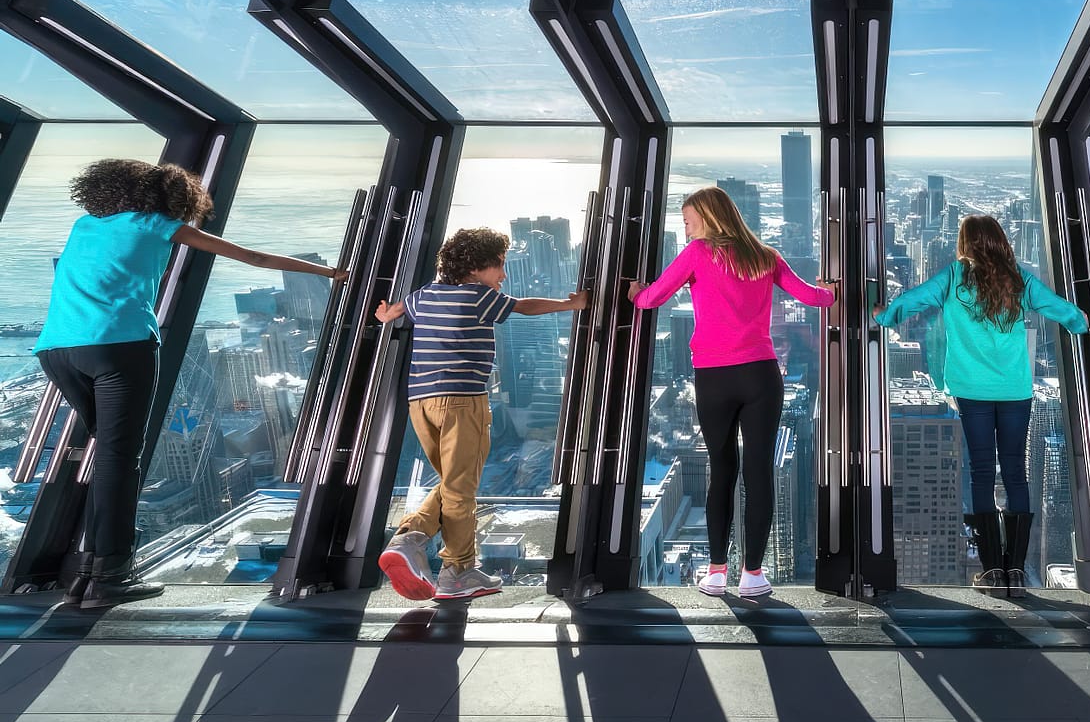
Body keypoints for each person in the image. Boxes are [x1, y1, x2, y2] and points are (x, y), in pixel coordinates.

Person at [35, 158, 346, 610]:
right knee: (119, 460)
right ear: (173, 199)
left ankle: (87, 573)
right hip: (118, 346)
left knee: (108, 455)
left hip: (57, 351)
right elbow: (251, 256)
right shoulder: (157, 224)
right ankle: (109, 575)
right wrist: (328, 273)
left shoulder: (85, 225)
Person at [627, 187, 836, 599]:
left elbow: (652, 299)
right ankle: (753, 576)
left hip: (714, 378)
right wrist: (830, 288)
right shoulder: (766, 255)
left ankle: (717, 571)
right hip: (761, 376)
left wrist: (635, 292)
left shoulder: (698, 254)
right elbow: (815, 298)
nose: (685, 232)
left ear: (706, 217)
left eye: (687, 222)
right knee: (759, 475)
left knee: (722, 471)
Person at [876, 214, 1088, 598]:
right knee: (1015, 473)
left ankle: (991, 568)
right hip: (1015, 391)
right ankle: (1015, 571)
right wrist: (1082, 324)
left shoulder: (955, 277)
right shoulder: (1018, 278)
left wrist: (886, 316)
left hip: (971, 390)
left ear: (966, 243)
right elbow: (1062, 310)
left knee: (981, 473)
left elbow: (913, 300)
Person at [376, 228, 587, 601]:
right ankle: (456, 570)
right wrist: (570, 305)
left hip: (421, 404)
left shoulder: (423, 296)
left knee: (453, 483)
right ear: (475, 268)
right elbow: (522, 306)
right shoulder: (478, 297)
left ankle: (412, 541)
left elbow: (394, 313)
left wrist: (384, 314)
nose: (503, 276)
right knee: (461, 491)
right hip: (461, 402)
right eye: (499, 266)